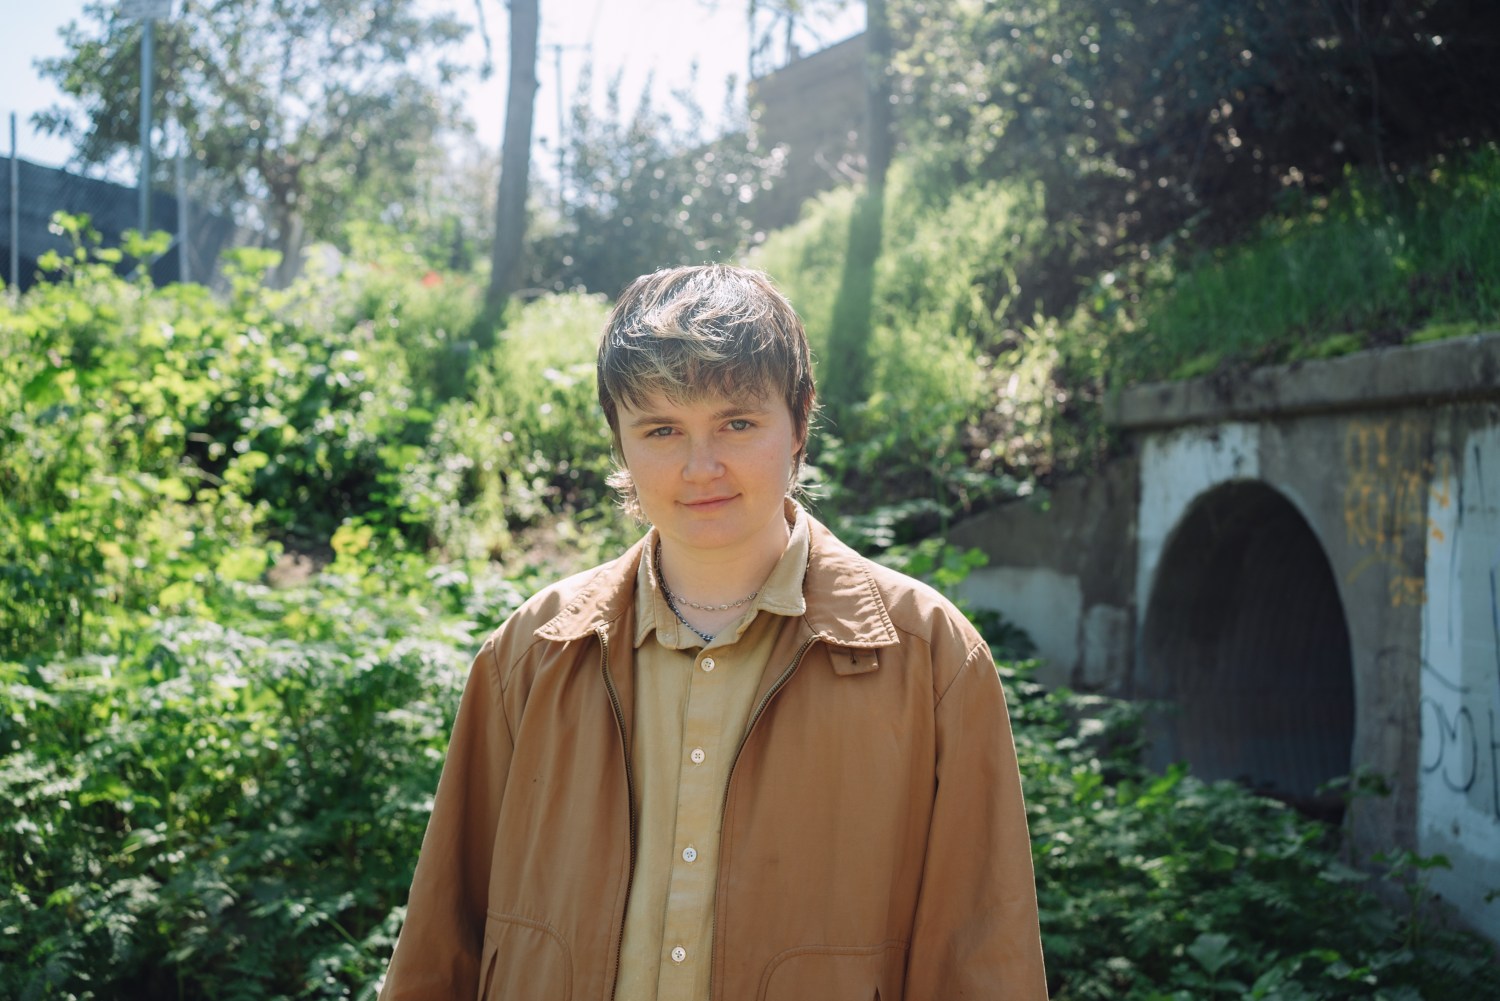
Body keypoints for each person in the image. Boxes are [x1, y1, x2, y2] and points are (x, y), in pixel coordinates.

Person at [379, 264, 1048, 1000]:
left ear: (799, 423)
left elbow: (983, 961)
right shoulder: (531, 652)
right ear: (620, 444)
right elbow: (441, 943)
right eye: (662, 430)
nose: (701, 467)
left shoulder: (931, 658)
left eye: (737, 423)